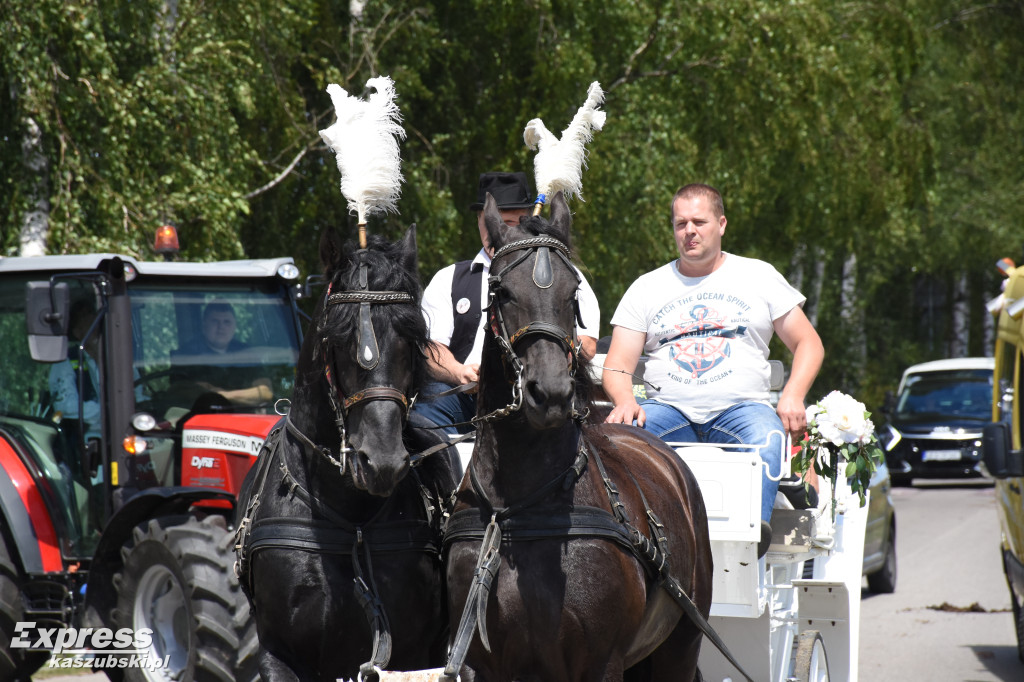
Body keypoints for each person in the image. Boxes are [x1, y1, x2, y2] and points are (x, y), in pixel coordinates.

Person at [602, 183, 824, 532]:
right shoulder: (647, 287)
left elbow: (809, 344)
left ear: (721, 224)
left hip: (741, 411)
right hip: (668, 412)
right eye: (680, 223)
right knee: (612, 444)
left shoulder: (758, 276)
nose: (689, 231)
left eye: (698, 222)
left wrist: (793, 395)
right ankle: (631, 549)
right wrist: (625, 399)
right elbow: (616, 365)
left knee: (769, 443)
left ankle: (751, 546)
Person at [416, 171, 601, 434]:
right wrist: (460, 373)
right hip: (463, 398)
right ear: (480, 220)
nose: (501, 233)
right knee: (424, 415)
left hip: (538, 393)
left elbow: (588, 345)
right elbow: (432, 349)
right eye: (496, 223)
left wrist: (548, 360)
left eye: (514, 222)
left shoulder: (564, 273)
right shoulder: (449, 279)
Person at [171, 300, 272, 406]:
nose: (221, 327)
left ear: (234, 326)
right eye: (215, 321)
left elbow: (265, 393)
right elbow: (178, 391)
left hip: (245, 418)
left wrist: (221, 394)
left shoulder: (247, 354)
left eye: (226, 322)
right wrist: (245, 395)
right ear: (204, 325)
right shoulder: (186, 355)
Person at [49, 299, 103, 441]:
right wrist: (106, 412)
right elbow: (66, 407)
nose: (93, 320)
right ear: (77, 332)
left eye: (94, 314)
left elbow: (138, 394)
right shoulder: (65, 361)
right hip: (84, 444)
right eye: (86, 316)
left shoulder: (117, 359)